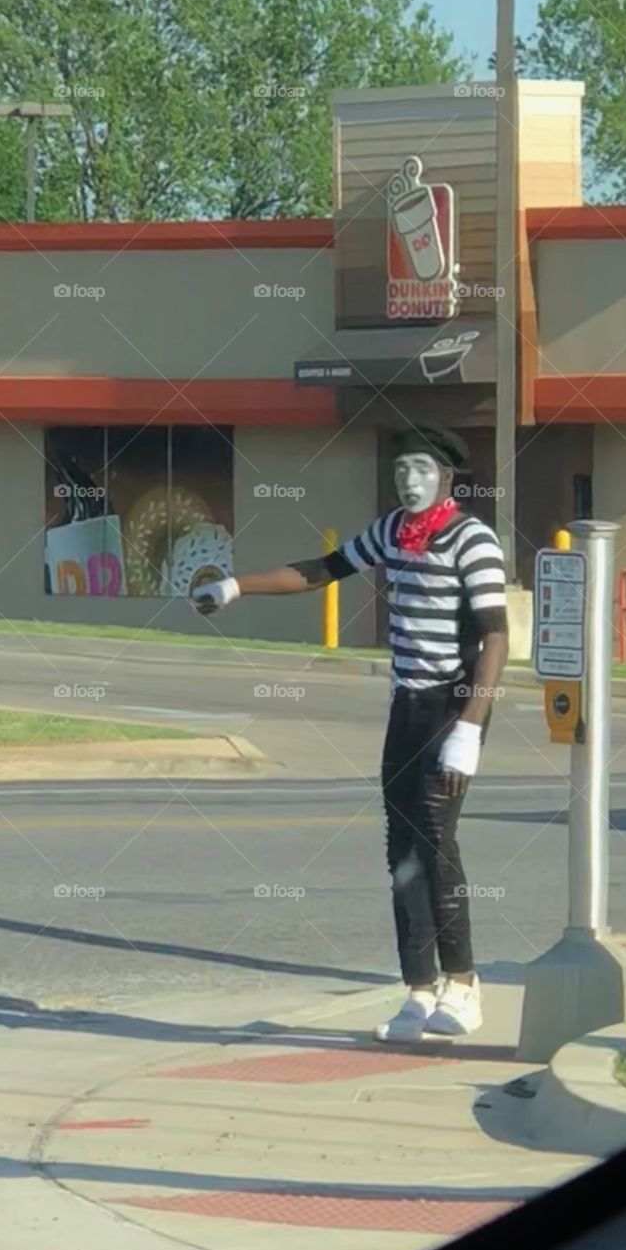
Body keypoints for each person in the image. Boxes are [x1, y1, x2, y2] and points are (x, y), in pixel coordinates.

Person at [191, 426, 509, 1042]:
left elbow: (496, 636)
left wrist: (470, 729)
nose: (408, 481)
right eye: (400, 471)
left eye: (420, 470)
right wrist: (236, 586)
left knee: (438, 841)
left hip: (456, 704)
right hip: (409, 706)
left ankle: (463, 986)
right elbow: (321, 570)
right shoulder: (391, 532)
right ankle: (417, 992)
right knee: (403, 851)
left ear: (446, 478)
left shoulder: (474, 540)